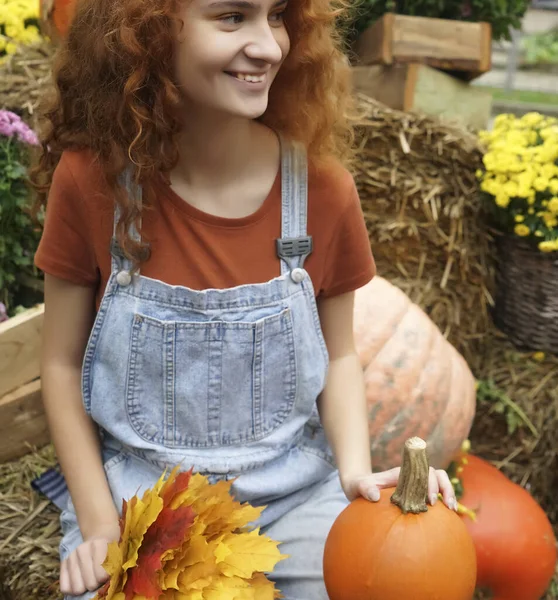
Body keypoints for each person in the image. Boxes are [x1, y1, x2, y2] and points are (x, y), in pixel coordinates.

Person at [32, 0, 457, 597]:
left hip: (291, 496)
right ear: (147, 36)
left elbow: (339, 358)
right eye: (232, 17)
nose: (268, 45)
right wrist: (101, 524)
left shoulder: (320, 190)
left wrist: (355, 472)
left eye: (277, 15)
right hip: (140, 498)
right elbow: (59, 364)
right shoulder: (92, 182)